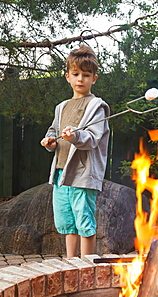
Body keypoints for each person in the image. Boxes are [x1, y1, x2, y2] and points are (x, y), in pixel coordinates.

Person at [40, 45, 110, 258]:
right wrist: (50, 141)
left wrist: (76, 136)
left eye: (86, 75)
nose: (81, 79)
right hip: (61, 173)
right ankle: (71, 263)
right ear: (67, 77)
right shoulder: (61, 107)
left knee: (83, 219)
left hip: (83, 173)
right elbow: (54, 130)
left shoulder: (97, 106)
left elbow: (93, 139)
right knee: (66, 220)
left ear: (94, 78)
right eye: (76, 74)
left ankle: (87, 265)